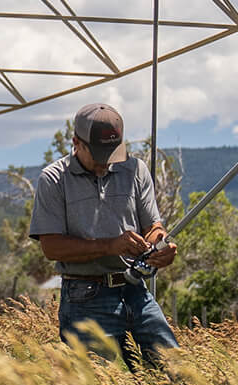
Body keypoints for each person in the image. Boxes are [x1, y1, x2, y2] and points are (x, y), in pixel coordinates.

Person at [27, 103, 179, 368]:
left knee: (177, 371)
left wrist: (160, 245)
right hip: (84, 297)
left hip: (135, 290)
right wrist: (110, 246)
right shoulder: (53, 179)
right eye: (98, 154)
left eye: (112, 152)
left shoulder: (135, 170)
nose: (106, 161)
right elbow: (52, 248)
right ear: (76, 143)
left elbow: (153, 226)